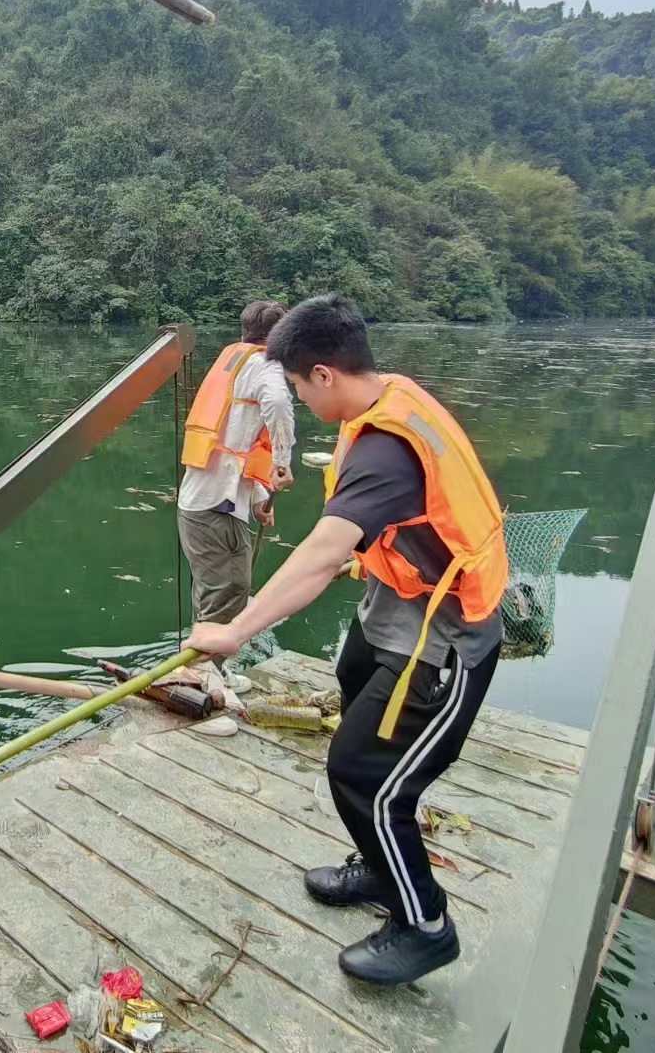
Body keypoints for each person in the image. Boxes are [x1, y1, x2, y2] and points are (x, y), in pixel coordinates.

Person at [183, 293, 507, 986]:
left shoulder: (387, 448)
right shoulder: (390, 398)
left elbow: (325, 551)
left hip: (447, 641)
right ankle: (381, 866)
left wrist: (236, 627)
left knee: (364, 774)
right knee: (354, 673)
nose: (297, 398)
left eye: (298, 386)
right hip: (398, 609)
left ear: (323, 374)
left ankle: (425, 925)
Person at [176, 300, 296, 630]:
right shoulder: (266, 365)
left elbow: (237, 442)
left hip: (198, 502)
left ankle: (202, 666)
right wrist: (282, 462)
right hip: (217, 509)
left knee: (211, 592)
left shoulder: (232, 362)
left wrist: (258, 497)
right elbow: (277, 402)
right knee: (230, 589)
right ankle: (206, 671)